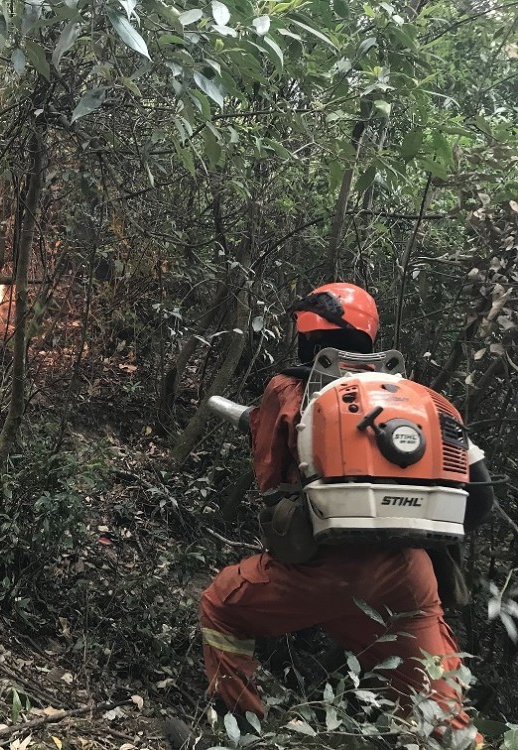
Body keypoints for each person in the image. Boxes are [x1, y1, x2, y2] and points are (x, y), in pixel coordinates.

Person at [166, 282, 495, 749]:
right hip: (410, 576)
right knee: (442, 720)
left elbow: (269, 479)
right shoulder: (423, 401)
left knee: (221, 606)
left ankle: (240, 734)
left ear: (307, 336)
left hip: (320, 569)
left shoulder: (287, 390)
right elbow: (481, 498)